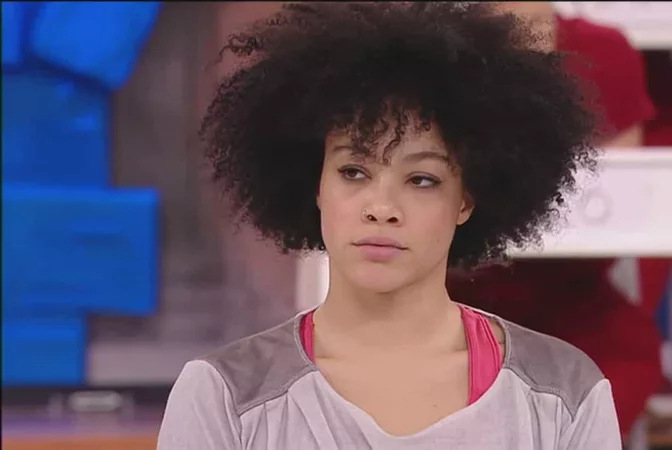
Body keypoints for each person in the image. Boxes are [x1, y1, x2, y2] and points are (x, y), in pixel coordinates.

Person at [157, 2, 621, 449]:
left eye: (421, 179)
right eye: (353, 172)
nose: (381, 208)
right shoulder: (224, 396)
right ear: (314, 184)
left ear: (466, 199)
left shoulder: (564, 394)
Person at [446, 4, 666, 436]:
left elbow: (623, 203)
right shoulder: (435, 48)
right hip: (455, 302)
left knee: (621, 363)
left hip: (577, 304)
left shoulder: (605, 51)